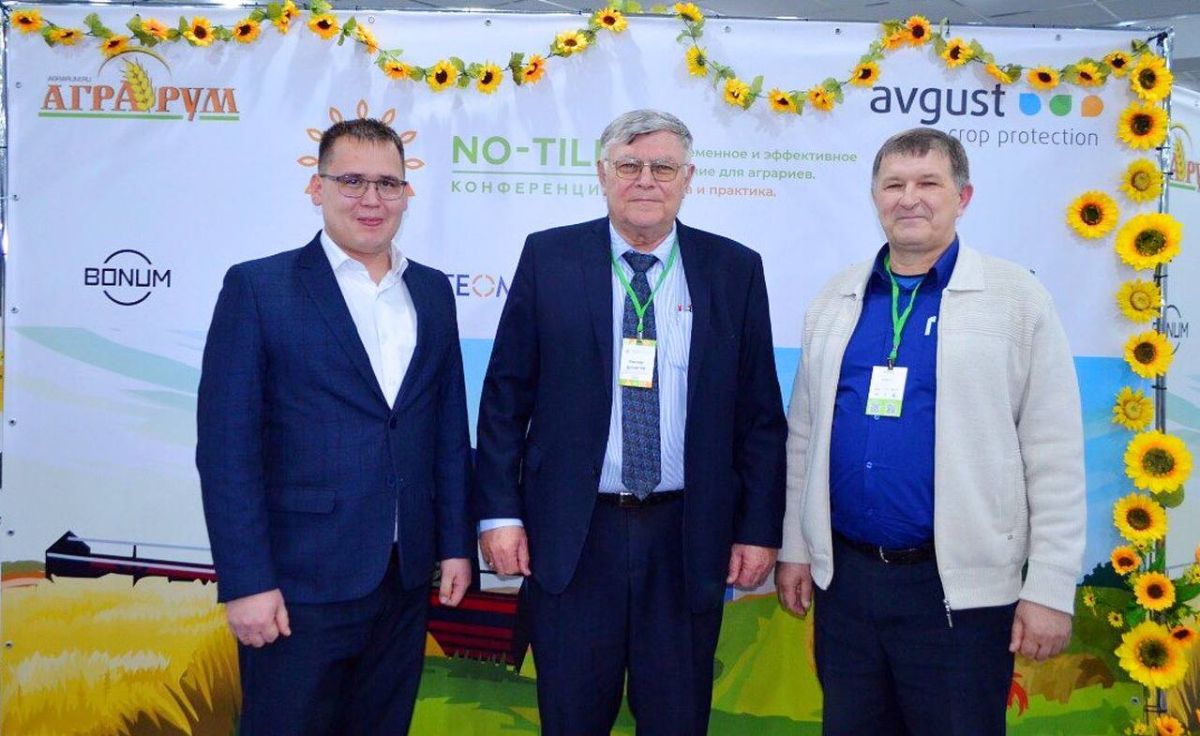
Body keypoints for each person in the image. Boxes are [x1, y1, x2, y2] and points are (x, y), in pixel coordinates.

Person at [474, 109, 787, 735]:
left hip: (686, 539)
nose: (646, 179)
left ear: (688, 178)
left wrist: (757, 530)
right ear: (602, 174)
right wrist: (500, 513)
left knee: (677, 719)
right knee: (571, 718)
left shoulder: (734, 269)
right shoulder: (549, 257)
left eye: (663, 167)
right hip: (574, 537)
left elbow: (758, 415)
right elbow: (506, 397)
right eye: (629, 165)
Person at [775, 126, 1086, 735]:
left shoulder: (1016, 300)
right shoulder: (836, 299)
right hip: (847, 586)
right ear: (875, 196)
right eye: (893, 184)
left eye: (928, 183)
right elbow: (803, 439)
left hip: (957, 594)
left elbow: (1053, 451)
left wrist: (1050, 586)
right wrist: (795, 549)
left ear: (962, 197)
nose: (909, 198)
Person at [196, 118, 473, 736]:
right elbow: (226, 451)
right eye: (352, 181)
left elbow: (448, 432)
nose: (371, 199)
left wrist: (455, 543)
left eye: (387, 184)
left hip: (404, 579)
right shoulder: (258, 288)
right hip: (297, 585)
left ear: (406, 193)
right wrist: (246, 583)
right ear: (316, 187)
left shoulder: (431, 292)